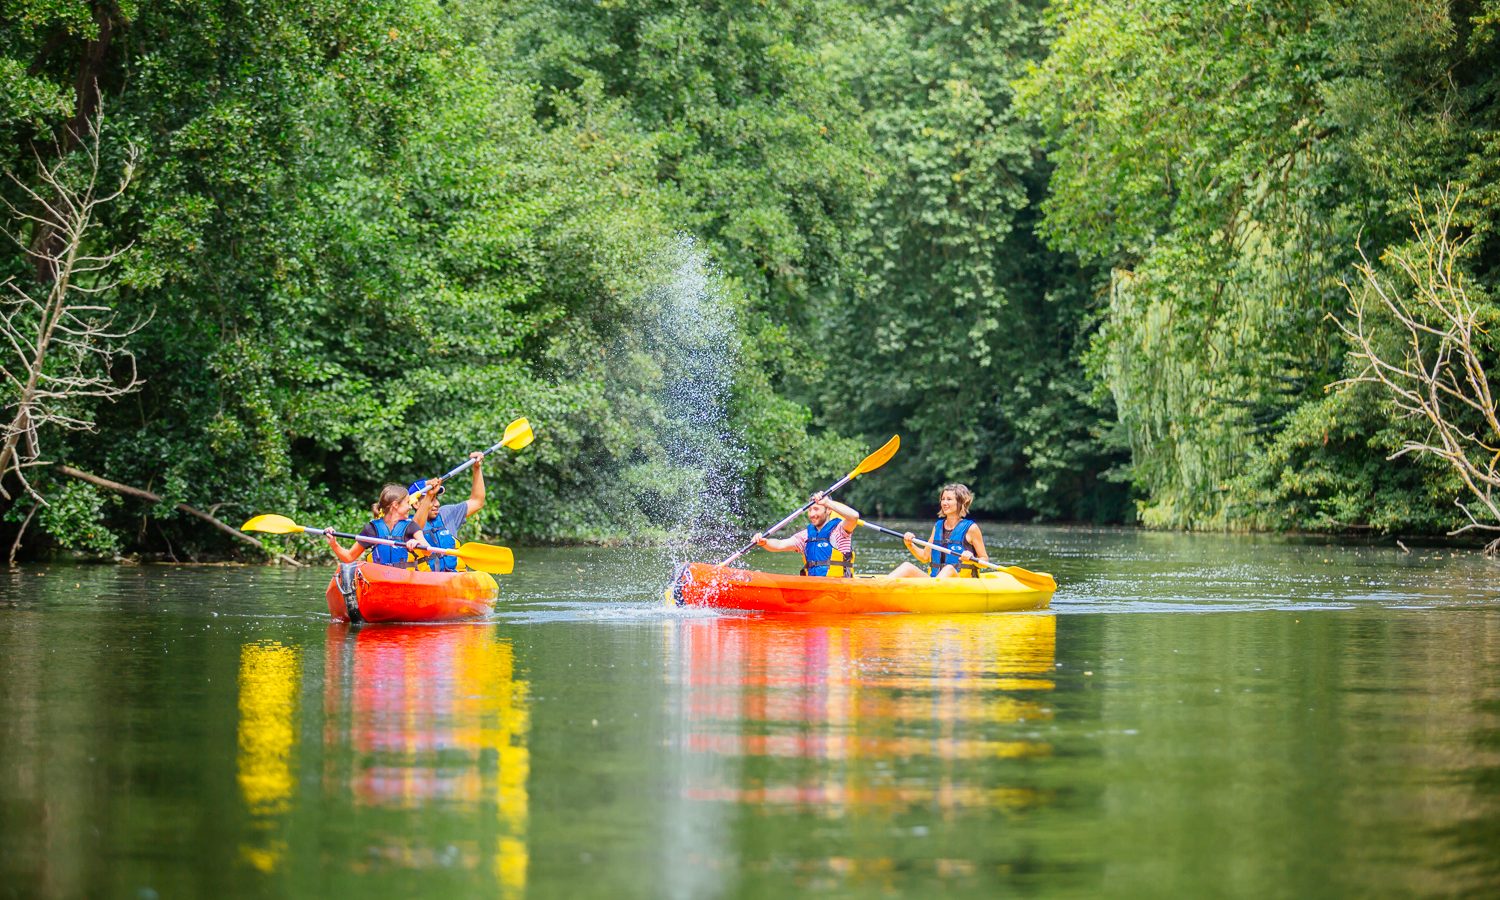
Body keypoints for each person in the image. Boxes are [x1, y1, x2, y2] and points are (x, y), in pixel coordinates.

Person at [407, 451, 487, 572]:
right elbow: (416, 526)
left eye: (436, 498)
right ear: (416, 503)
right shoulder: (406, 523)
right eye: (431, 499)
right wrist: (429, 495)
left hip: (453, 579)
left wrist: (476, 468)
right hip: (427, 580)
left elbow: (477, 501)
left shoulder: (447, 513)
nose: (437, 504)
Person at [888, 483, 988, 578]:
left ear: (961, 502)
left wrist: (971, 559)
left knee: (948, 568)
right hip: (935, 582)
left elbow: (984, 561)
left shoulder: (971, 528)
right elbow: (925, 557)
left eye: (949, 499)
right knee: (907, 567)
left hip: (959, 584)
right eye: (943, 499)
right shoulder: (938, 526)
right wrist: (909, 544)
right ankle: (877, 586)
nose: (944, 503)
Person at [753, 492, 860, 577]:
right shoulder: (805, 536)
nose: (812, 514)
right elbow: (779, 545)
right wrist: (764, 542)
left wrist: (827, 502)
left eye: (816, 509)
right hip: (813, 585)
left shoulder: (840, 530)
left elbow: (854, 517)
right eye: (809, 510)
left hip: (839, 587)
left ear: (828, 510)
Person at [325, 484, 422, 567]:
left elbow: (429, 550)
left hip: (405, 580)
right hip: (379, 579)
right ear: (395, 505)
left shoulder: (411, 526)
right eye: (407, 502)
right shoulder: (372, 529)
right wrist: (334, 544)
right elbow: (349, 558)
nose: (410, 507)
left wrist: (417, 543)